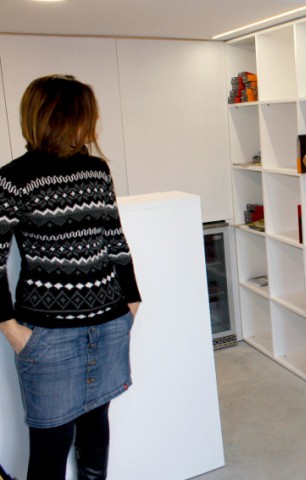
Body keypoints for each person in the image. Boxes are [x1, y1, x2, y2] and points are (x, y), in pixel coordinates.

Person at [0, 75, 141, 480]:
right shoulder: (14, 178)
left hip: (109, 325)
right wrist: (11, 329)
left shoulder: (97, 170)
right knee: (50, 447)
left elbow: (114, 239)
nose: (94, 121)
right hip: (48, 338)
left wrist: (132, 301)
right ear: (64, 116)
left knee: (96, 431)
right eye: (88, 113)